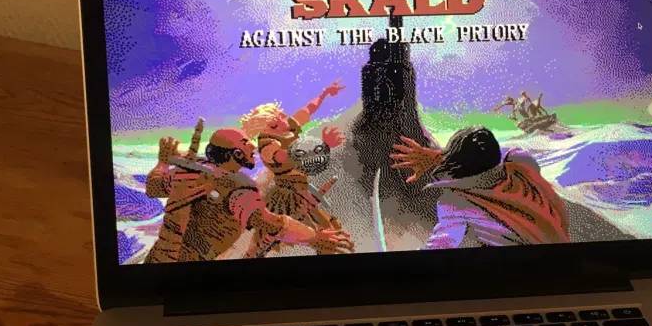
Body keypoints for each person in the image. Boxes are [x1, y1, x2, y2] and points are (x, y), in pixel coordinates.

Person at [143, 127, 352, 262]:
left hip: (156, 261)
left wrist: (162, 162)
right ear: (235, 154)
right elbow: (270, 223)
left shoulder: (190, 170)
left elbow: (153, 188)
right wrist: (315, 238)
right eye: (245, 143)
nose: (252, 146)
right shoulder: (237, 186)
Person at [390, 125, 569, 249]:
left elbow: (441, 245)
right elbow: (509, 151)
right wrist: (442, 156)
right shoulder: (521, 166)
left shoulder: (455, 202)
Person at [240, 81, 350, 255]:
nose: (283, 120)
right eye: (275, 123)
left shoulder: (286, 126)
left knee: (330, 232)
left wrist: (325, 93)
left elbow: (308, 109)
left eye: (281, 116)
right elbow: (290, 157)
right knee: (318, 236)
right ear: (267, 130)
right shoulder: (268, 145)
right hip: (288, 198)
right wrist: (323, 145)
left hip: (302, 192)